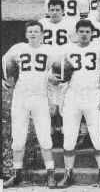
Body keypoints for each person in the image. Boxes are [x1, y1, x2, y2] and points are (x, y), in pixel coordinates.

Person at [2, 21, 58, 189]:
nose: (33, 34)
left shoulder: (50, 51)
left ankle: (51, 174)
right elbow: (5, 61)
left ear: (42, 34)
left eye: (36, 31)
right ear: (26, 34)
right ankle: (17, 174)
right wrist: (5, 79)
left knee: (44, 137)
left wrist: (53, 100)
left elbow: (55, 76)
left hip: (40, 96)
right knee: (18, 138)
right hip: (21, 96)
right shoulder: (18, 48)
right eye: (30, 31)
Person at [53, 19, 100, 188]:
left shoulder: (99, 49)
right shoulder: (67, 49)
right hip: (72, 96)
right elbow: (56, 72)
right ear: (76, 33)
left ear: (92, 33)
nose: (84, 34)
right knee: (69, 138)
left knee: (97, 137)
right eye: (81, 31)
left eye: (87, 31)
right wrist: (55, 88)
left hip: (93, 95)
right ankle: (68, 173)